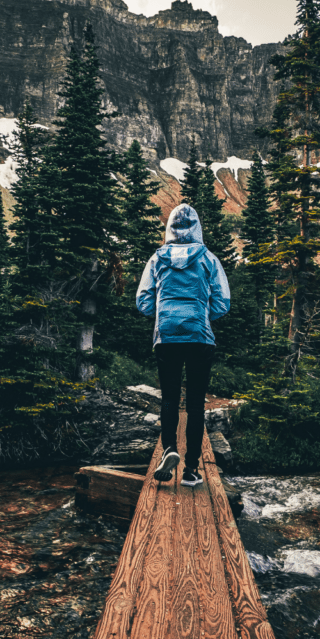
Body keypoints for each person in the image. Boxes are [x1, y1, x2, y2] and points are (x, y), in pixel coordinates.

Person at [136, 203, 230, 486]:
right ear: (197, 227)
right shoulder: (208, 258)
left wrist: (164, 312)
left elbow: (142, 301)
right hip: (200, 336)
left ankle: (169, 450)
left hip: (166, 337)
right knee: (195, 405)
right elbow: (223, 302)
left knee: (169, 399)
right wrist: (201, 313)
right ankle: (190, 470)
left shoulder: (156, 259)